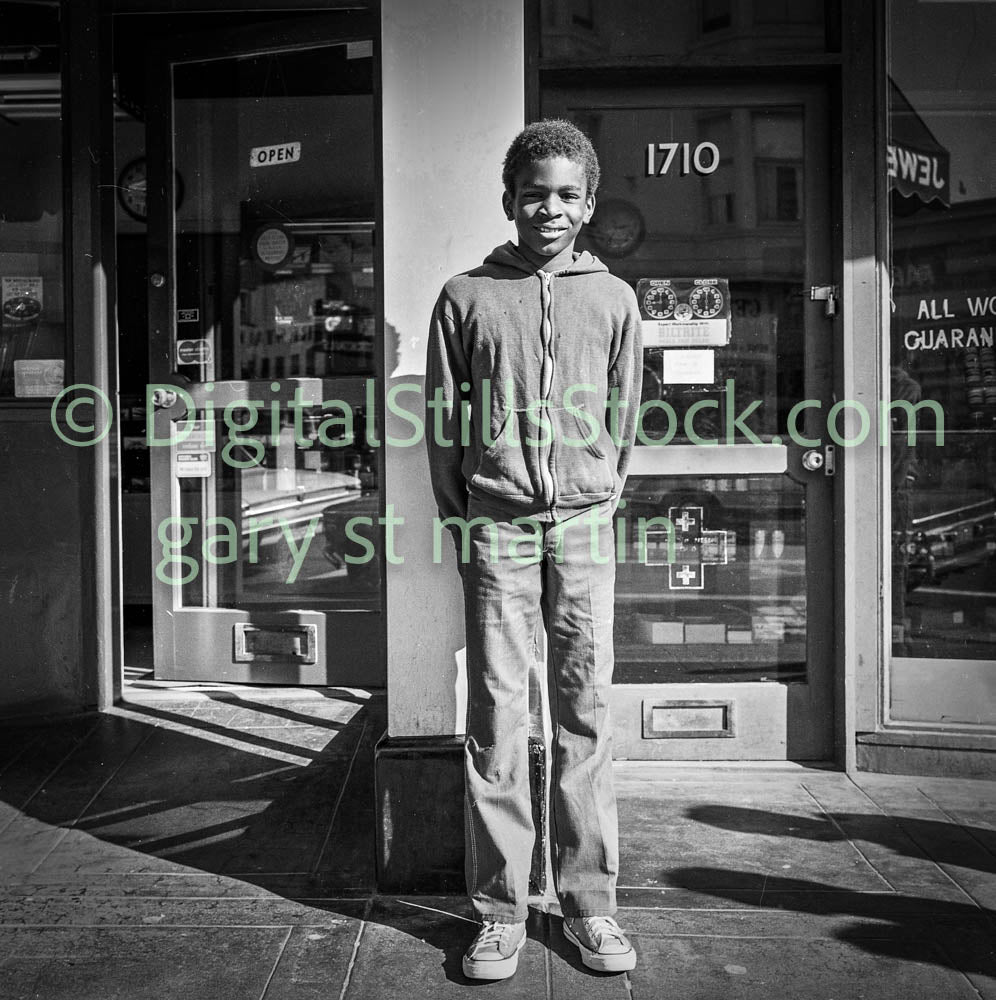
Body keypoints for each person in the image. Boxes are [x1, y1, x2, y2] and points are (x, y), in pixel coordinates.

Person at [424, 119, 643, 980]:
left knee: (584, 710)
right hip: (499, 525)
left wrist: (593, 493)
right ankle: (500, 913)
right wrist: (468, 516)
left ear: (587, 204)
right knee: (496, 717)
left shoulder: (614, 299)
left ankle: (588, 906)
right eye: (533, 191)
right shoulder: (466, 295)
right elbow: (443, 425)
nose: (548, 208)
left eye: (565, 194)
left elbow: (623, 424)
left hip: (584, 525)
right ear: (508, 197)